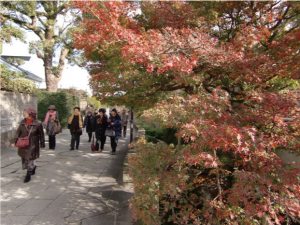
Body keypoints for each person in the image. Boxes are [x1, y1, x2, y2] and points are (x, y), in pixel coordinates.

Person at [11, 106, 45, 183]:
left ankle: (28, 174)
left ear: (31, 114)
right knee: (24, 158)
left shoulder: (38, 123)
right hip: (23, 143)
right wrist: (14, 141)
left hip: (33, 144)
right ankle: (32, 167)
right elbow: (18, 133)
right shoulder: (22, 122)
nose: (24, 113)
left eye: (26, 112)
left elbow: (41, 135)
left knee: (29, 159)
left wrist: (42, 145)